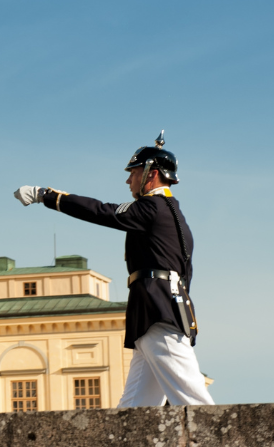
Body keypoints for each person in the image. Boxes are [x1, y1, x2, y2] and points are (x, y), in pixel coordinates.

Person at [13, 132, 214, 407]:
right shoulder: (173, 214)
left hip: (158, 312)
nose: (128, 180)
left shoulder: (152, 207)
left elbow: (101, 211)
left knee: (194, 403)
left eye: (133, 173)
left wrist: (47, 196)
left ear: (151, 174)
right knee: (135, 410)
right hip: (156, 312)